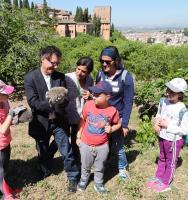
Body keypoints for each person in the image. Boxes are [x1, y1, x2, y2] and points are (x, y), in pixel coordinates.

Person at [24, 45, 79, 193]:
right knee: (42, 150)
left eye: (57, 63)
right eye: (52, 62)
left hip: (59, 121)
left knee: (66, 150)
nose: (55, 66)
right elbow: (33, 102)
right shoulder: (30, 78)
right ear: (43, 59)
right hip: (41, 122)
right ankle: (45, 169)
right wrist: (51, 102)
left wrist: (64, 99)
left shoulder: (60, 77)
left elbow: (67, 97)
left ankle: (73, 177)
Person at [146, 78, 188, 192]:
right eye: (168, 89)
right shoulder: (163, 101)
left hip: (174, 140)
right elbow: (159, 114)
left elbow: (185, 129)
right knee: (162, 157)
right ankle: (158, 177)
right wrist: (156, 123)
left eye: (173, 91)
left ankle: (166, 183)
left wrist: (168, 126)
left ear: (180, 94)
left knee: (170, 162)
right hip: (162, 136)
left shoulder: (182, 109)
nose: (168, 93)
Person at [95, 46, 134, 181]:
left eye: (108, 61)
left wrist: (124, 123)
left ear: (116, 61)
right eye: (102, 61)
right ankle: (103, 164)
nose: (104, 64)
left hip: (118, 117)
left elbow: (128, 102)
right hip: (103, 116)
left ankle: (122, 167)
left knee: (118, 146)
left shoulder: (125, 77)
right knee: (102, 143)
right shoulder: (100, 74)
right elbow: (97, 93)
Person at [76, 81, 121, 195]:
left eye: (98, 95)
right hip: (86, 143)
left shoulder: (112, 111)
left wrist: (111, 129)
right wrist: (78, 136)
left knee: (100, 167)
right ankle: (83, 180)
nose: (94, 96)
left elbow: (118, 124)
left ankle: (98, 183)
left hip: (102, 146)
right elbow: (82, 120)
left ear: (108, 96)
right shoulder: (88, 105)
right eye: (93, 93)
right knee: (85, 165)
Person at [65, 56, 94, 162]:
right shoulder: (67, 77)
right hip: (68, 113)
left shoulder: (90, 80)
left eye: (83, 71)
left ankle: (75, 157)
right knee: (63, 136)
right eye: (78, 69)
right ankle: (48, 156)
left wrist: (90, 95)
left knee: (76, 136)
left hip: (81, 114)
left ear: (88, 73)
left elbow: (91, 96)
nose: (79, 73)